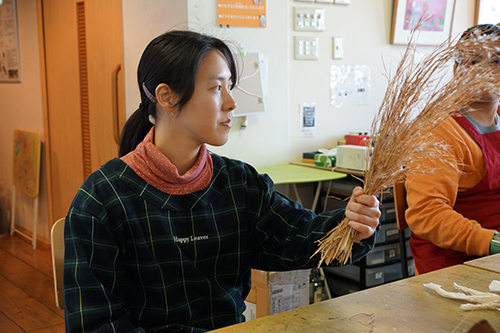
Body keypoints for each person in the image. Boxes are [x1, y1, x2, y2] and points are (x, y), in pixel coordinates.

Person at [63, 30, 380, 332]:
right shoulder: (103, 199)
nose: (231, 103)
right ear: (166, 96)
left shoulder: (239, 183)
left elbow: (302, 239)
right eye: (216, 88)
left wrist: (352, 223)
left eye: (230, 86)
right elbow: (97, 323)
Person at [404, 24, 500, 275]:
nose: (485, 71)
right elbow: (427, 213)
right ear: (457, 70)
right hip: (454, 271)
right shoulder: (437, 131)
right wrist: (492, 243)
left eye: (497, 61)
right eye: (472, 62)